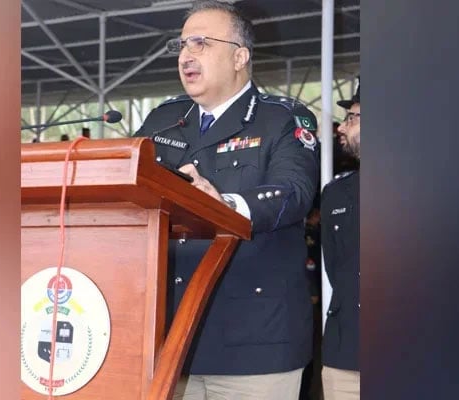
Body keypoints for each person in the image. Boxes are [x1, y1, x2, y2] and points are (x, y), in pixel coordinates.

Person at [134, 1, 320, 399]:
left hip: (254, 346)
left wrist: (223, 205)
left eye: (201, 43)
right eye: (182, 45)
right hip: (169, 341)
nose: (186, 55)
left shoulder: (282, 119)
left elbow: (295, 193)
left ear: (240, 56)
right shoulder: (161, 121)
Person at [320, 79, 360, 400]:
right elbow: (336, 267)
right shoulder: (335, 193)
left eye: (352, 118)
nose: (341, 128)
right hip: (345, 355)